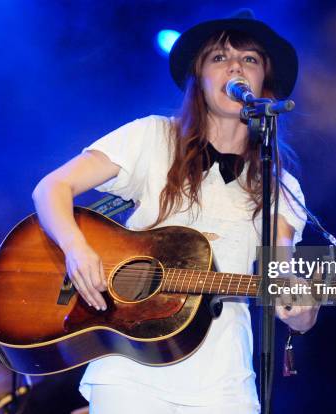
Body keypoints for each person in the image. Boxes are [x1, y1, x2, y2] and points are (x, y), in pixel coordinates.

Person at [32, 9, 319, 414]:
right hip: (129, 371)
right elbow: (52, 188)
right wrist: (76, 248)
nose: (235, 65)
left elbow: (281, 272)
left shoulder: (281, 185)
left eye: (249, 59)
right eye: (219, 58)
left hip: (224, 385)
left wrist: (302, 312)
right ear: (199, 79)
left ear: (264, 86)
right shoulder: (153, 136)